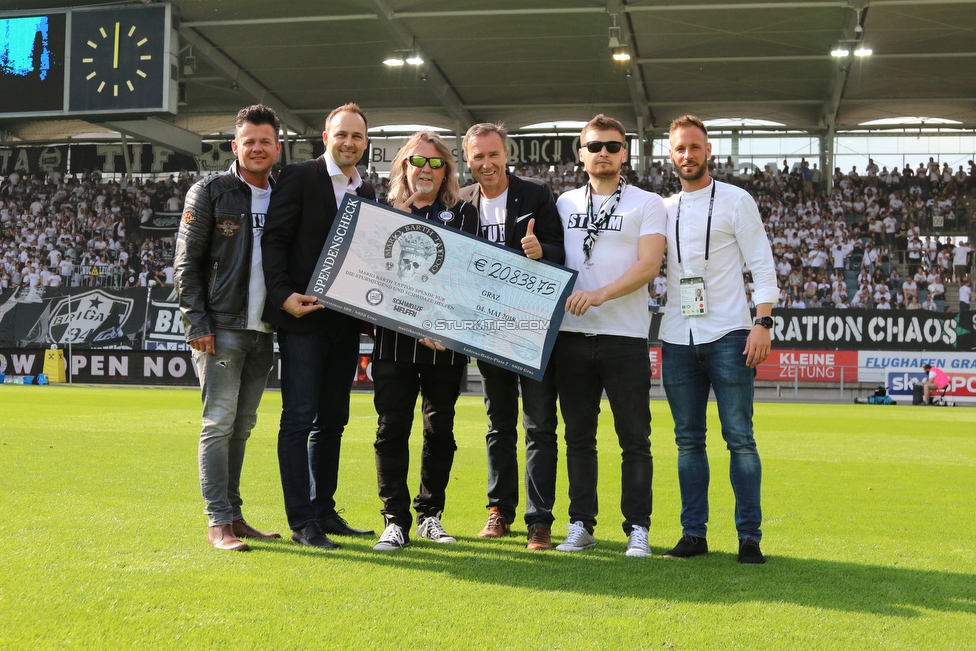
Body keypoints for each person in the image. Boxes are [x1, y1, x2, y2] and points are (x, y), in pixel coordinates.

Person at [660, 115, 778, 565]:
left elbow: (762, 266)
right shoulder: (662, 208)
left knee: (740, 438)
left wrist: (762, 324)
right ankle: (694, 534)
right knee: (688, 441)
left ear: (708, 150)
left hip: (730, 332)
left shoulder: (736, 200)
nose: (687, 155)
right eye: (679, 149)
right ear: (670, 155)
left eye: (694, 147)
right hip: (676, 336)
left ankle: (749, 537)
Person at [551, 114, 667, 557]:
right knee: (578, 436)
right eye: (595, 146)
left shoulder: (647, 202)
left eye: (613, 147)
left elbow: (649, 265)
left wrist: (599, 295)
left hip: (624, 334)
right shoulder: (563, 203)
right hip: (571, 335)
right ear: (581, 154)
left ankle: (638, 527)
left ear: (625, 154)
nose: (604, 153)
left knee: (634, 437)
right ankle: (581, 523)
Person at [262, 103, 375, 549]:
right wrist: (282, 296)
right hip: (304, 319)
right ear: (326, 137)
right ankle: (301, 520)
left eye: (358, 137)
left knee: (334, 420)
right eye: (342, 134)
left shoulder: (365, 191)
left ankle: (324, 510)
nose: (349, 142)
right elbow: (274, 238)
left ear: (365, 143)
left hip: (345, 324)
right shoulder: (299, 176)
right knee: (298, 419)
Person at [174, 104, 282, 552]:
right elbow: (187, 262)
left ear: (277, 147)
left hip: (265, 329)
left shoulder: (284, 194)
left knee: (243, 425)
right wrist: (196, 322)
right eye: (249, 142)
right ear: (235, 146)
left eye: (265, 141)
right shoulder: (211, 191)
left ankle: (234, 516)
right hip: (220, 325)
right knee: (217, 423)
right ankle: (217, 521)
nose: (257, 149)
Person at [457, 123, 565, 551]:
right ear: (468, 159)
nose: (487, 164)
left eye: (493, 155)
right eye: (478, 157)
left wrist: (543, 252)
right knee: (497, 425)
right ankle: (498, 511)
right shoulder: (461, 202)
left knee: (539, 426)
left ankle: (539, 521)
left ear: (507, 155)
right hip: (485, 328)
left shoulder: (536, 193)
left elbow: (559, 249)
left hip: (531, 325)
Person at [371, 132, 479, 551]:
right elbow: (370, 282)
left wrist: (443, 323)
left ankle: (430, 516)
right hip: (393, 343)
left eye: (436, 164)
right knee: (391, 429)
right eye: (419, 162)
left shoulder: (464, 216)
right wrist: (416, 322)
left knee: (441, 431)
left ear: (447, 172)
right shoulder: (379, 214)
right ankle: (393, 520)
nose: (426, 171)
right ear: (404, 167)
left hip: (444, 344)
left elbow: (467, 280)